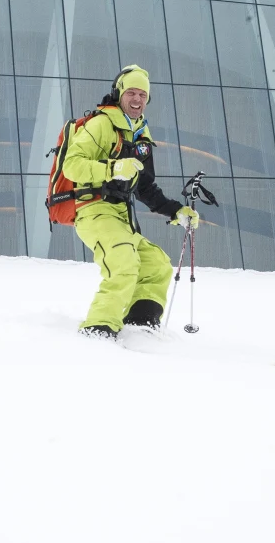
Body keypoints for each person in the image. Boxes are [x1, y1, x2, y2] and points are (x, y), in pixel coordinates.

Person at [63, 65, 199, 340]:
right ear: (119, 94)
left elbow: (144, 186)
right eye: (131, 93)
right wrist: (112, 168)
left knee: (156, 264)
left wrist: (176, 211)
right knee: (123, 262)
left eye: (142, 95)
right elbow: (72, 166)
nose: (137, 99)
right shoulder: (101, 124)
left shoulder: (140, 134)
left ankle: (140, 325)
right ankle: (97, 330)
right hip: (93, 210)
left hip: (121, 216)